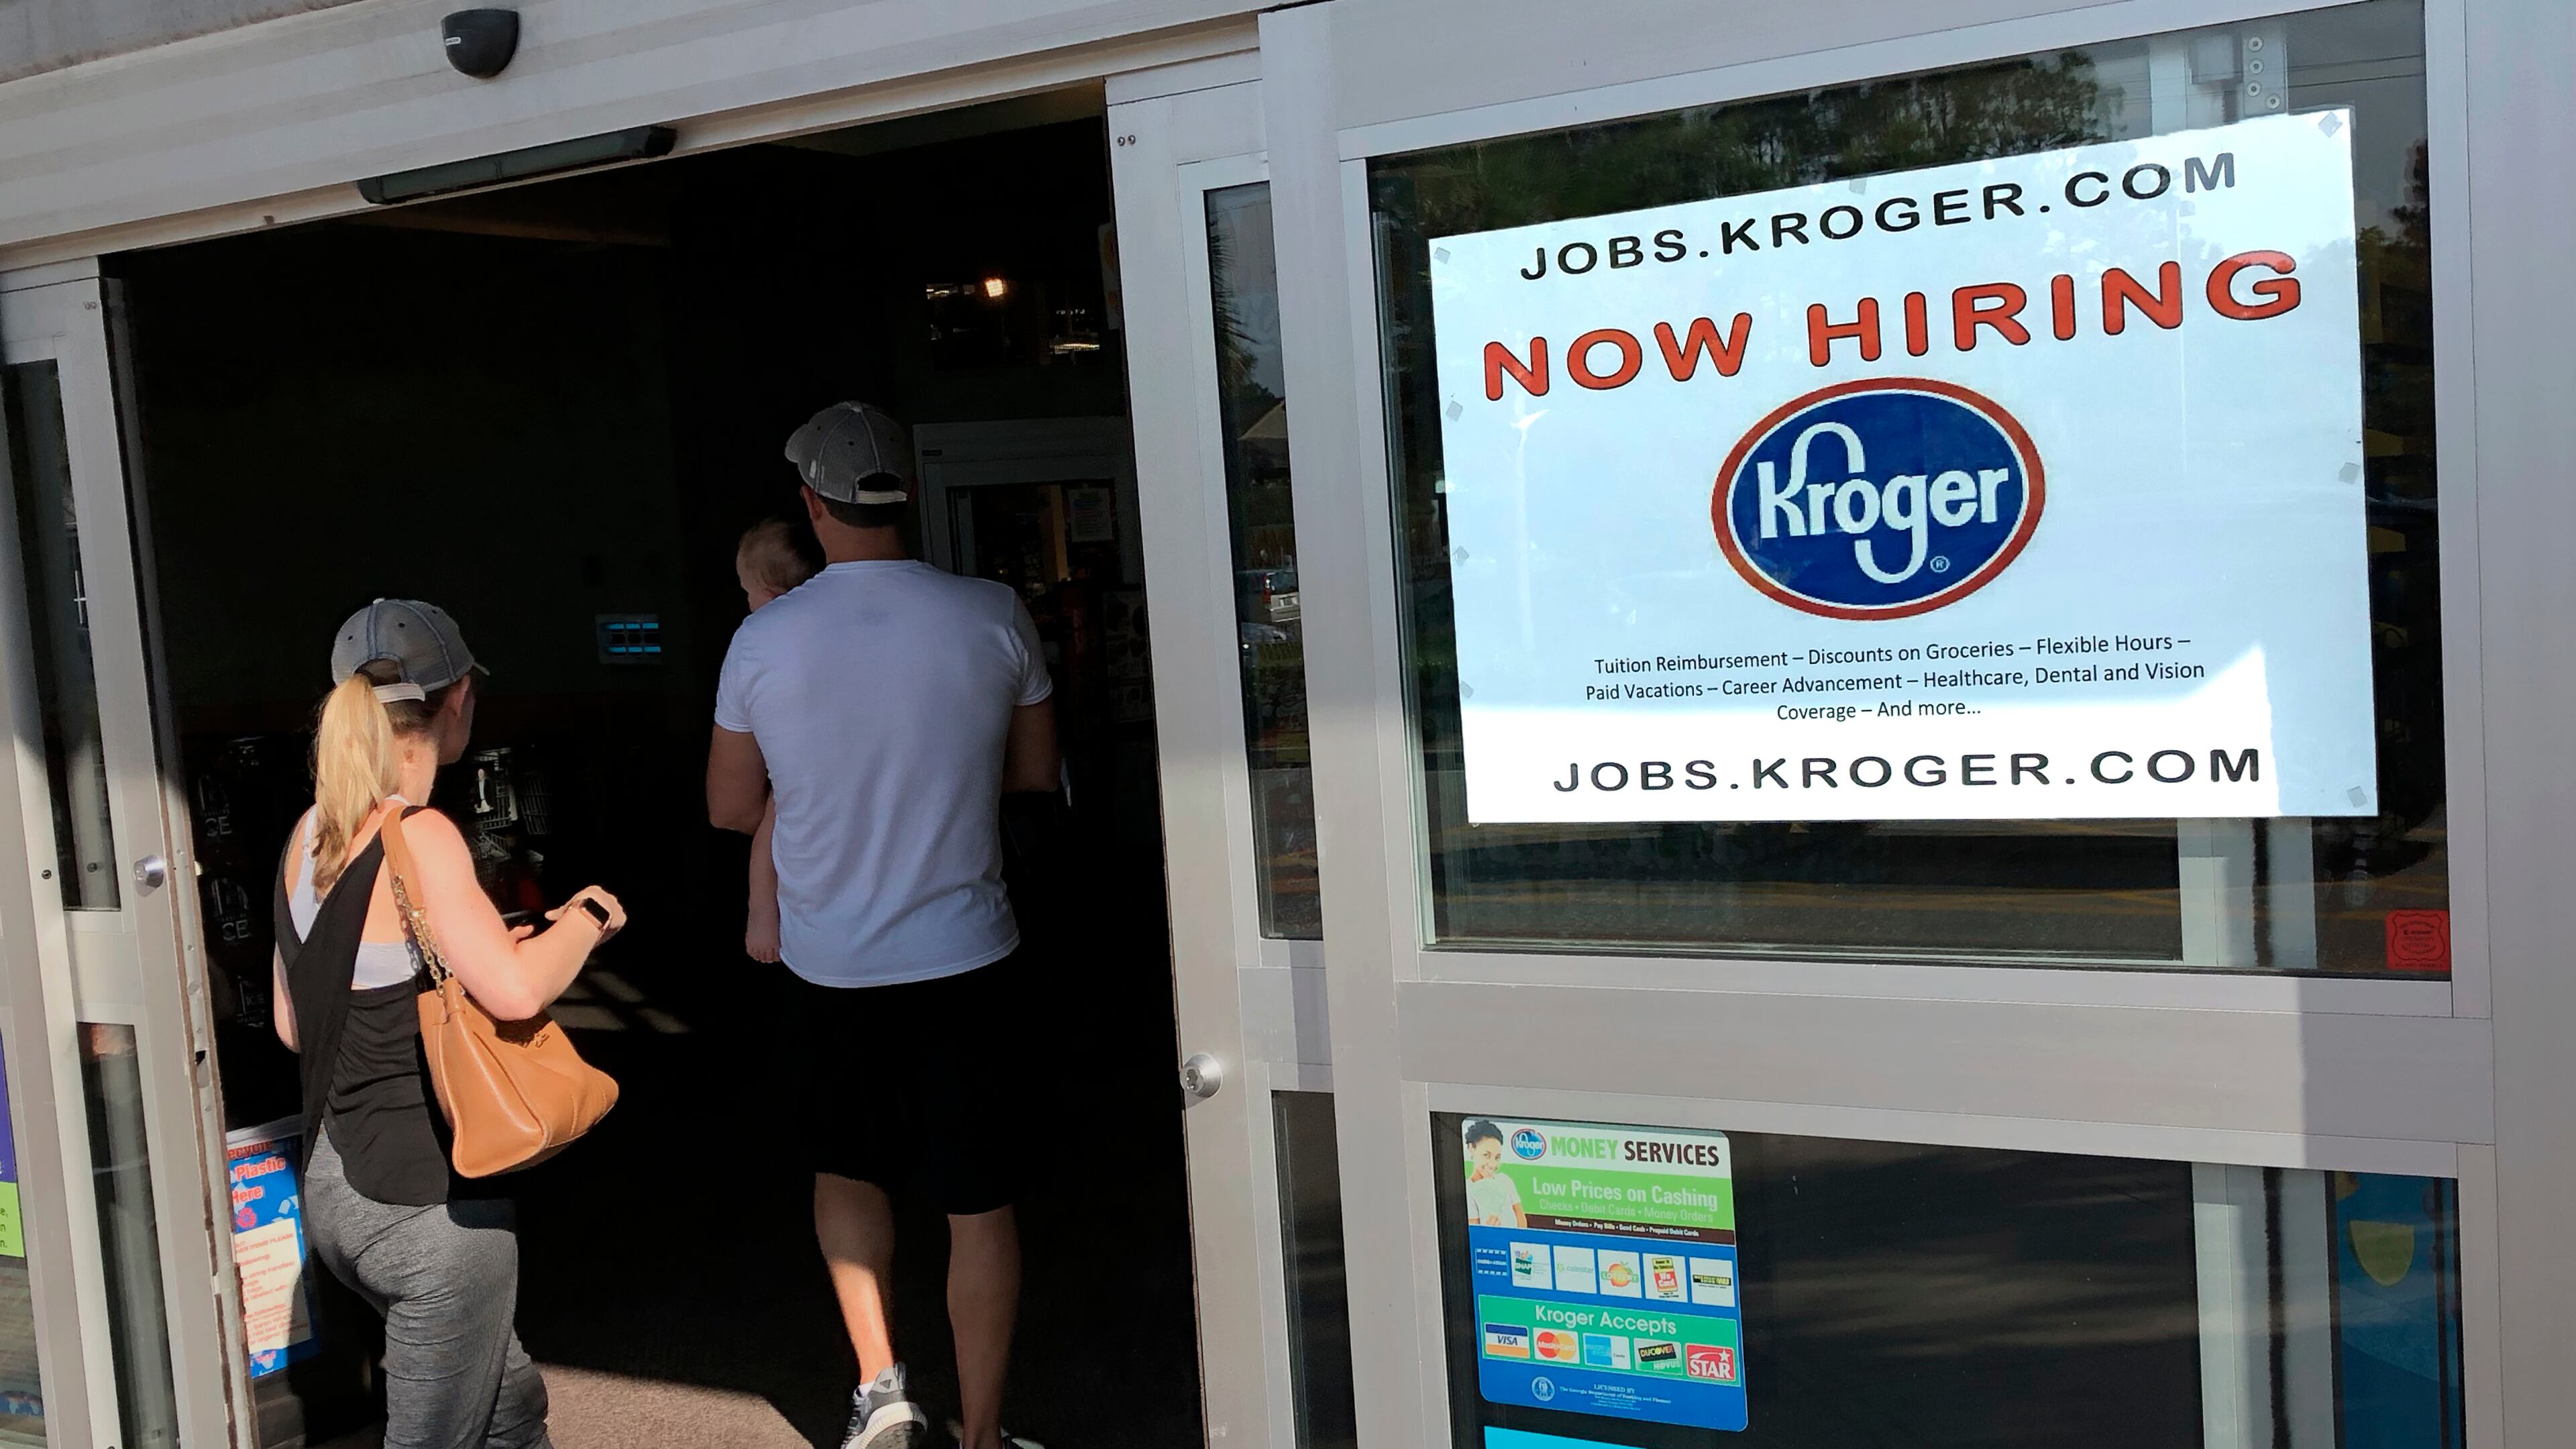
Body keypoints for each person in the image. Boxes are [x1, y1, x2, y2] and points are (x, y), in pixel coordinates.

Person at [706, 402, 1059, 1449]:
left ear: (812, 506)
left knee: (850, 1175)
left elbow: (730, 806)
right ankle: (984, 1436)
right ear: (904, 495)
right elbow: (1036, 775)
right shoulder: (993, 611)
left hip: (830, 964)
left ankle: (882, 1396)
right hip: (969, 953)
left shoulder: (765, 636)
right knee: (979, 1201)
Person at [272, 599, 627, 1449]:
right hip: (428, 1214)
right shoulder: (421, 833)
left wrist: (464, 956)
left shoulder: (308, 833)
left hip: (335, 1194)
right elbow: (513, 995)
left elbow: (296, 1021)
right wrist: (587, 919)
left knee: (509, 1409)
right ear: (459, 697)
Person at [732, 517, 823, 963]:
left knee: (771, 827)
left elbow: (728, 808)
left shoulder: (764, 641)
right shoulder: (831, 628)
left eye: (747, 593)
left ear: (767, 596)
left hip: (799, 769)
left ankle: (761, 912)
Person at [1465, 1120, 1528, 1228]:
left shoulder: (1505, 1181)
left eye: (1497, 1157)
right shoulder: (1468, 1190)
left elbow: (1521, 1219)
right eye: (1486, 1155)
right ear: (1472, 1149)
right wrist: (1492, 1232)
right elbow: (1474, 1234)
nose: (1492, 1165)